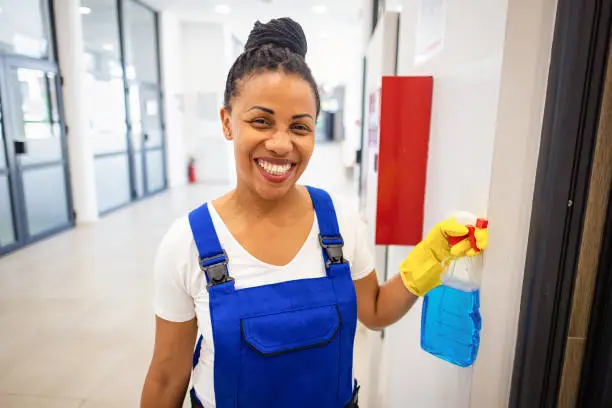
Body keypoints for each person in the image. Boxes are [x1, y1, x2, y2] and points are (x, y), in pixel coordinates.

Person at [141, 17, 488, 408]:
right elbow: (167, 376)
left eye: (299, 127)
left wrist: (432, 255)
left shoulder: (338, 223)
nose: (280, 144)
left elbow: (373, 310)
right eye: (261, 121)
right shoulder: (187, 243)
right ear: (227, 122)